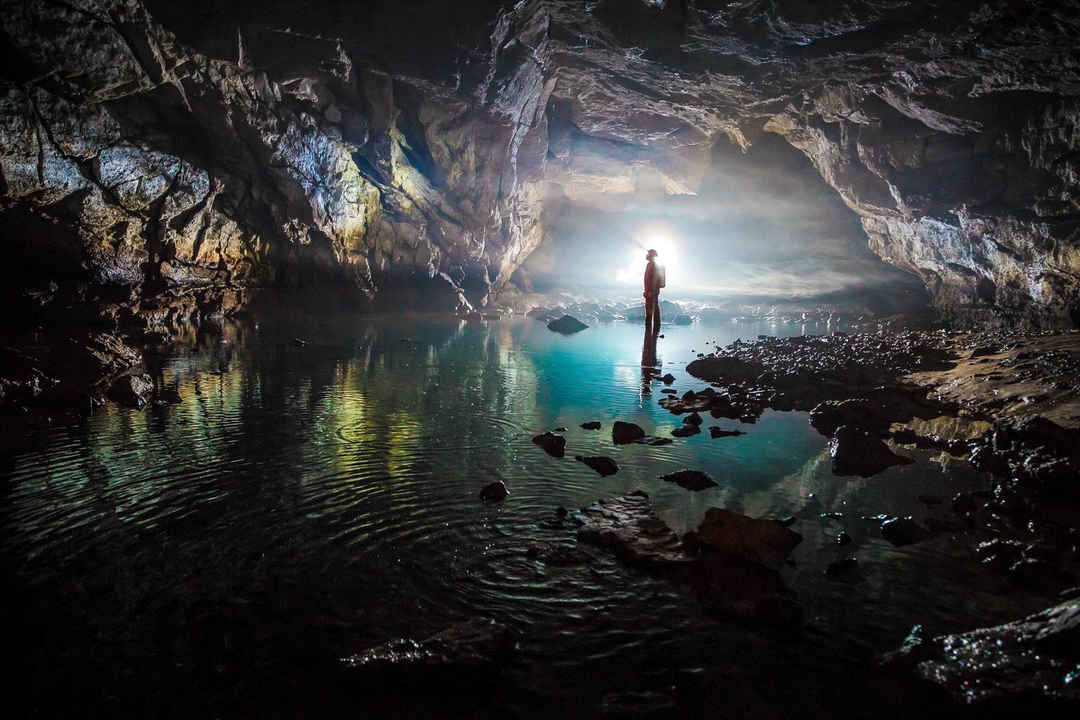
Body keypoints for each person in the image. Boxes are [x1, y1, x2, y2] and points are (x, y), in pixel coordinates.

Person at [643, 248, 662, 333]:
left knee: (653, 310)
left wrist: (652, 291)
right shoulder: (649, 265)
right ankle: (649, 333)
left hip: (652, 292)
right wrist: (646, 291)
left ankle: (655, 332)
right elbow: (647, 280)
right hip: (648, 292)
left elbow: (655, 280)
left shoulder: (654, 266)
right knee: (649, 311)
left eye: (649, 254)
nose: (647, 255)